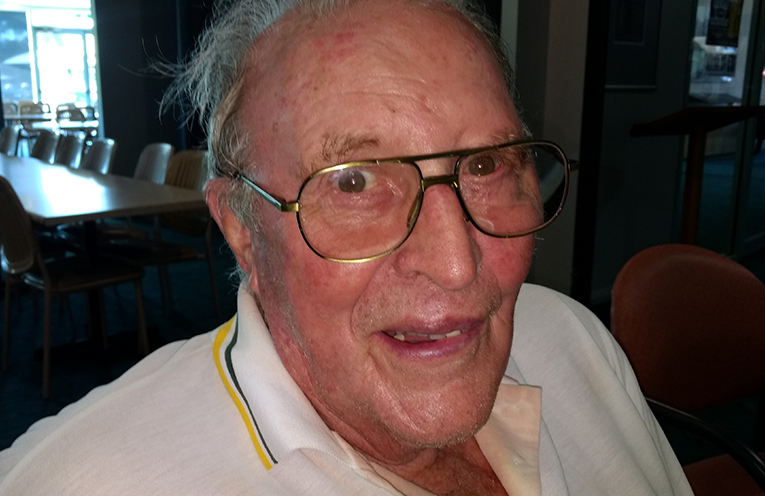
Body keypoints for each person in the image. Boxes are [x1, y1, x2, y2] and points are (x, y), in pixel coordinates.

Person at [0, 0, 692, 494]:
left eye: (485, 165)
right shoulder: (80, 482)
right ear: (242, 229)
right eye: (354, 181)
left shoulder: (574, 338)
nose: (457, 265)